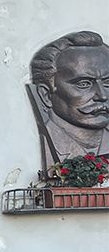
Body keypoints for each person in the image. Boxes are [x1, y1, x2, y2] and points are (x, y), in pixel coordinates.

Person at [28, 31, 109, 169]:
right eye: (83, 84)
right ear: (46, 95)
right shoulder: (30, 145)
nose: (102, 96)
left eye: (108, 83)